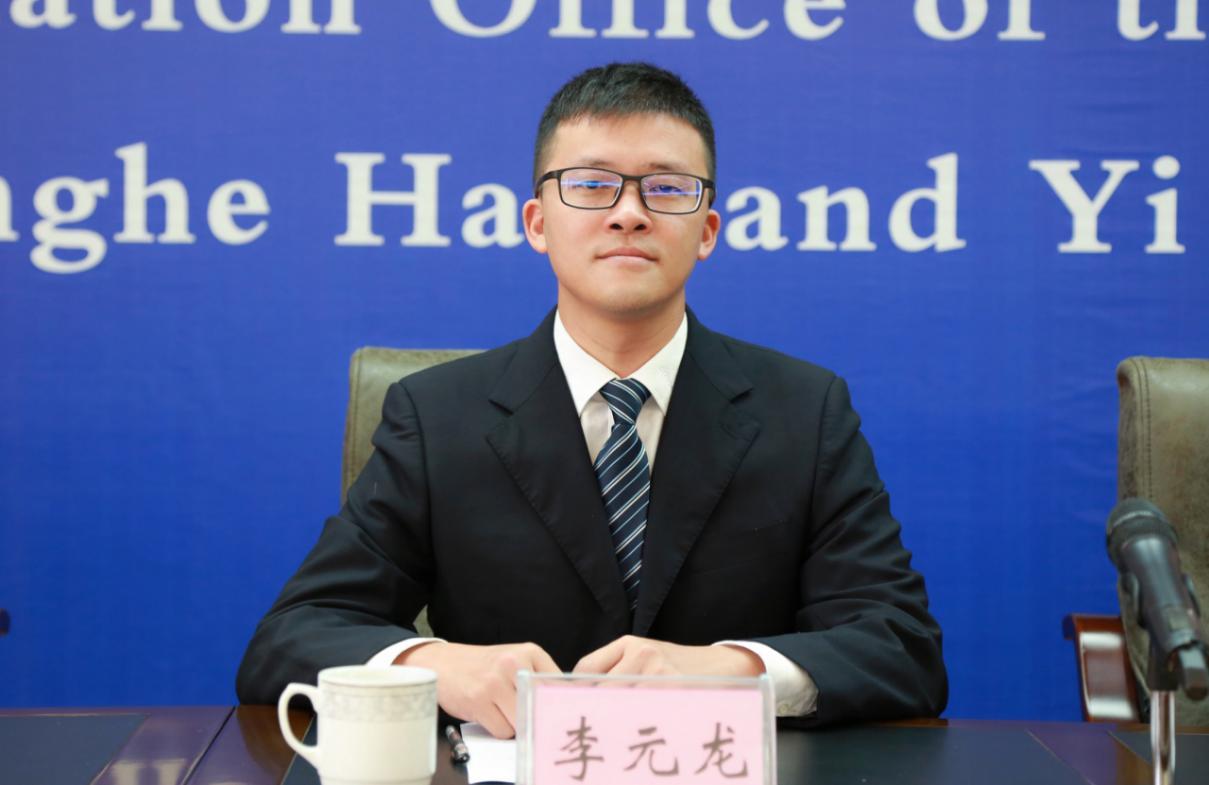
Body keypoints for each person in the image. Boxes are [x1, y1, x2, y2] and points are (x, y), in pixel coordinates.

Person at [236, 62, 946, 737]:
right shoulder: (437, 417)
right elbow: (292, 637)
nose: (628, 214)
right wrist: (437, 665)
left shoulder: (805, 411)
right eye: (591, 185)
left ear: (706, 230)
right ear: (537, 223)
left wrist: (729, 671)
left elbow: (901, 646)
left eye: (666, 188)